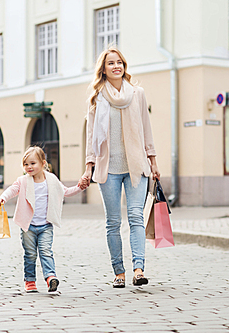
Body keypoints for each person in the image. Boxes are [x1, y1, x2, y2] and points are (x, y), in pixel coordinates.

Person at [79, 46, 160, 288]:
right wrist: (88, 167)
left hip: (136, 166)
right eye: (111, 63)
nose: (116, 66)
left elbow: (146, 128)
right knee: (113, 222)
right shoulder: (97, 98)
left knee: (136, 217)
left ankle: (138, 269)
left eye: (120, 62)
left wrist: (153, 161)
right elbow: (92, 135)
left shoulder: (137, 94)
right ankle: (119, 272)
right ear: (103, 70)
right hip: (109, 168)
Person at [0, 146, 87, 293]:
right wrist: (3, 198)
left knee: (46, 251)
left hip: (46, 225)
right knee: (30, 254)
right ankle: (30, 281)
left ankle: (51, 277)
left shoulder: (51, 180)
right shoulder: (23, 181)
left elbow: (65, 192)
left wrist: (80, 187)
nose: (29, 167)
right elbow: (12, 190)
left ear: (43, 163)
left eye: (33, 163)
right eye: (26, 164)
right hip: (29, 226)